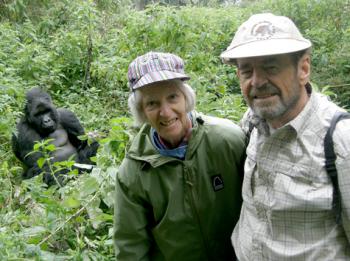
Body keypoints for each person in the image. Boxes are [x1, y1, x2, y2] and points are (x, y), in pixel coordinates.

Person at [220, 13, 350, 260]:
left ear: (303, 69)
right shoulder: (252, 123)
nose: (257, 82)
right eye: (247, 71)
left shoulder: (340, 141)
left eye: (271, 67)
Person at [113, 51, 246, 260]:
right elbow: (131, 247)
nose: (165, 112)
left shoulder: (227, 141)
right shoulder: (134, 172)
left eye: (172, 97)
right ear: (141, 111)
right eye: (152, 103)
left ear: (186, 98)